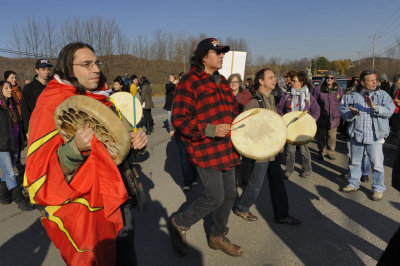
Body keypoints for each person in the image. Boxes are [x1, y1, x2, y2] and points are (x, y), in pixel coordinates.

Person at [23, 42, 148, 265]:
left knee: (126, 256)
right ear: (68, 69)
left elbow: (124, 143)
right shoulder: (50, 103)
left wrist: (138, 141)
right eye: (86, 64)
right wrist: (75, 148)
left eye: (96, 63)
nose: (96, 69)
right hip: (84, 206)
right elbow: (41, 170)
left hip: (120, 195)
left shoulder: (105, 97)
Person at [169, 38, 243, 257]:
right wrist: (210, 130)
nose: (222, 55)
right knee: (214, 196)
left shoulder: (222, 82)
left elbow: (231, 114)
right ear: (203, 56)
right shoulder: (190, 81)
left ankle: (217, 235)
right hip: (205, 149)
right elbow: (179, 119)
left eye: (223, 52)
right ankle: (179, 222)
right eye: (217, 52)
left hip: (227, 149)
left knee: (230, 195)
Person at [233, 68, 300, 226]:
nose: (274, 79)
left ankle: (282, 215)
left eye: (274, 77)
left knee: (278, 183)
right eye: (270, 77)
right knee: (255, 184)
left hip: (273, 150)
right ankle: (242, 207)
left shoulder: (271, 99)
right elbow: (243, 127)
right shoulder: (254, 102)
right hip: (261, 152)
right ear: (261, 81)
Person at [340, 69, 395, 200]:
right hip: (357, 134)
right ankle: (354, 183)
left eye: (375, 80)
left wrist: (375, 107)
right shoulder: (352, 95)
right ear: (363, 82)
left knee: (377, 165)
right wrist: (351, 113)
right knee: (355, 162)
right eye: (370, 80)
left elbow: (390, 110)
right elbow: (342, 110)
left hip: (374, 137)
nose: (374, 82)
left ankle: (377, 188)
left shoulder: (383, 95)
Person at [277, 71, 320, 178]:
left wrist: (312, 121)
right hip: (290, 128)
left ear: (301, 82)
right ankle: (289, 170)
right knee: (290, 151)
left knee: (304, 151)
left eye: (294, 80)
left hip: (304, 129)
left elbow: (316, 110)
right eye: (292, 80)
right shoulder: (287, 95)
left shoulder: (309, 97)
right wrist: (284, 119)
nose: (292, 82)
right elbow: (279, 109)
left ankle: (307, 169)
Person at [0, 81, 33, 210]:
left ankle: (2, 194)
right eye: (6, 88)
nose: (10, 90)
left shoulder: (12, 105)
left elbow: (17, 124)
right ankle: (20, 200)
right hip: (2, 146)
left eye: (10, 88)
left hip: (15, 143)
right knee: (10, 172)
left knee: (8, 173)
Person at [312, 70, 343, 160]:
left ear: (334, 79)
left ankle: (330, 152)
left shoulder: (339, 89)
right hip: (321, 117)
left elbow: (342, 102)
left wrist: (340, 114)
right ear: (325, 78)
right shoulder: (318, 89)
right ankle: (322, 151)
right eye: (327, 77)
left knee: (332, 137)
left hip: (334, 118)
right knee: (321, 137)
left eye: (331, 78)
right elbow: (313, 102)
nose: (329, 79)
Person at [20, 59, 53, 136]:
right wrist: (27, 129)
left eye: (48, 69)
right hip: (37, 127)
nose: (46, 71)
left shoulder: (54, 86)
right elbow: (25, 110)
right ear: (37, 70)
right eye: (43, 69)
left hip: (53, 127)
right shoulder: (29, 88)